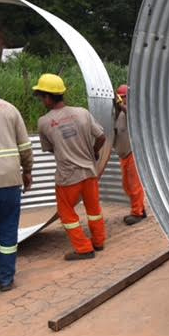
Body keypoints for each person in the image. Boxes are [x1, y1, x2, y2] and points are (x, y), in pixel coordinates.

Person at [33, 74, 107, 260]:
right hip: (90, 173)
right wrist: (94, 152)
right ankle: (98, 242)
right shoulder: (82, 113)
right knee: (94, 210)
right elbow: (101, 137)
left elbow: (51, 149)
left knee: (66, 213)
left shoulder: (44, 122)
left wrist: (66, 150)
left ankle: (83, 249)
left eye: (41, 97)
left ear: (48, 97)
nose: (41, 101)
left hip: (68, 177)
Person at [0, 65, 33, 297]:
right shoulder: (9, 109)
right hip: (10, 182)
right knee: (8, 233)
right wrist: (27, 172)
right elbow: (25, 147)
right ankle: (5, 280)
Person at [114, 85, 147, 225]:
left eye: (123, 97)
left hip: (133, 153)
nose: (122, 100)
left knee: (134, 185)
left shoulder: (134, 111)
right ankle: (140, 209)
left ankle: (137, 213)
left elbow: (131, 115)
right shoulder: (121, 113)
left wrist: (121, 106)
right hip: (124, 154)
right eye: (120, 97)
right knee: (127, 185)